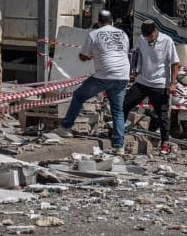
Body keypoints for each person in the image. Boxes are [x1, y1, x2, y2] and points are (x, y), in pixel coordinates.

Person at [53, 10, 130, 155]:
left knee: (79, 96)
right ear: (112, 21)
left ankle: (66, 127)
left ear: (99, 22)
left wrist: (88, 57)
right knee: (118, 110)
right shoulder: (122, 34)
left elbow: (84, 56)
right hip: (122, 75)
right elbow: (122, 53)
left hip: (104, 75)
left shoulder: (94, 34)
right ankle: (119, 146)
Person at [122, 20, 179, 155]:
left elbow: (175, 63)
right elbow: (137, 55)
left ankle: (165, 142)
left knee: (162, 115)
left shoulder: (167, 41)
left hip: (159, 84)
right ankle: (118, 134)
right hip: (142, 81)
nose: (148, 38)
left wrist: (173, 83)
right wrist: (134, 71)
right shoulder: (142, 39)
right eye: (145, 36)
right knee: (124, 104)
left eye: (150, 36)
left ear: (155, 32)